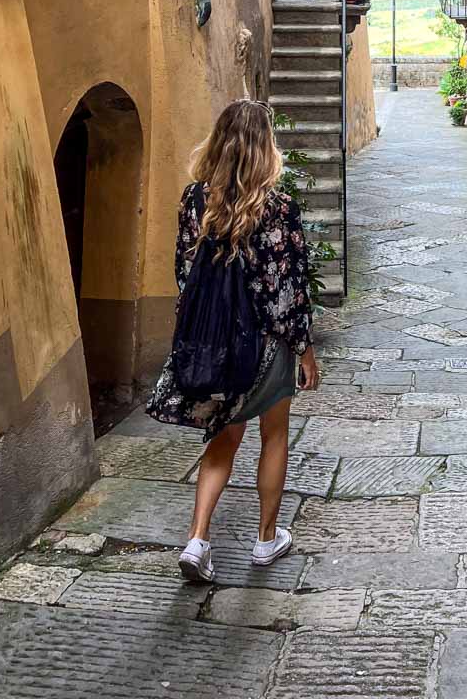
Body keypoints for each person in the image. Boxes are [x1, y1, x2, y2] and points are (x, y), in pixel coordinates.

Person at [146, 99, 320, 583]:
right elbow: (286, 286)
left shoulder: (194, 200)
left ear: (218, 141)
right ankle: (266, 540)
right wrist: (303, 347)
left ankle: (197, 539)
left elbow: (184, 273)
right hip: (265, 344)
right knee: (274, 434)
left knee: (221, 440)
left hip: (215, 341)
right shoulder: (280, 207)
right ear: (266, 147)